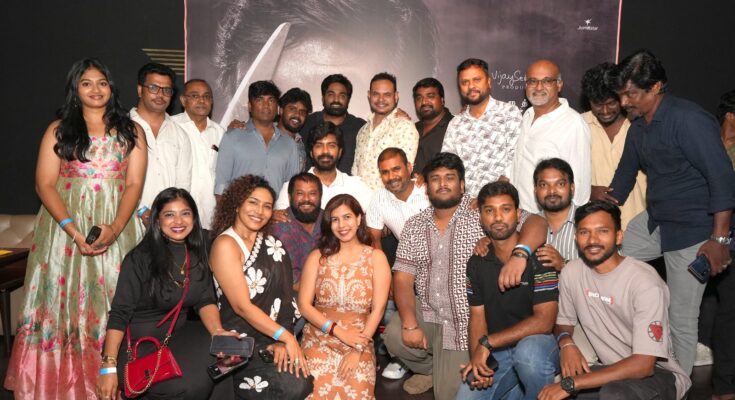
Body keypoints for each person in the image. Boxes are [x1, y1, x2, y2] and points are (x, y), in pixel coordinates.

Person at [4, 58, 146, 398]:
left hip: (117, 227)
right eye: (87, 83)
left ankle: (116, 379)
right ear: (75, 89)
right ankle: (62, 386)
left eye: (102, 82)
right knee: (62, 305)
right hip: (63, 232)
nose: (96, 89)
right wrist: (74, 231)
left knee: (114, 302)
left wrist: (114, 229)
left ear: (112, 88)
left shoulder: (131, 132)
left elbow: (134, 185)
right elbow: (44, 184)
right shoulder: (59, 130)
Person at [594, 50, 735, 374]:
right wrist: (594, 210)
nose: (624, 102)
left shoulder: (689, 120)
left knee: (681, 319)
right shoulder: (638, 127)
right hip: (656, 221)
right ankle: (628, 346)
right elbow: (624, 177)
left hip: (694, 230)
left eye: (631, 94)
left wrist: (719, 240)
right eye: (621, 94)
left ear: (656, 86)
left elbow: (723, 179)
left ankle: (678, 386)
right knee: (606, 256)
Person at [383, 153, 547, 400]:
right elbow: (403, 278)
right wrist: (410, 324)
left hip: (466, 321)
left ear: (462, 185)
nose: (443, 184)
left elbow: (537, 222)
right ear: (427, 188)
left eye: (450, 177)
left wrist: (520, 253)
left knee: (448, 395)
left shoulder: (482, 212)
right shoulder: (414, 225)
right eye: (435, 179)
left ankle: (443, 372)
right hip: (429, 311)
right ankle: (431, 369)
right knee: (394, 335)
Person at [538, 201, 691, 400]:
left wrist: (573, 383)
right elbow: (563, 322)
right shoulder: (572, 272)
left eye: (602, 231)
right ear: (576, 238)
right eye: (584, 232)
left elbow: (644, 364)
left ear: (619, 236)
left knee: (613, 394)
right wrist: (566, 342)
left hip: (658, 373)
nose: (592, 240)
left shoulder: (644, 282)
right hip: (608, 369)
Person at [97, 188, 235, 399]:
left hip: (178, 336)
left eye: (185, 213)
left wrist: (217, 332)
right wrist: (108, 366)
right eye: (169, 214)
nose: (178, 221)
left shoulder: (196, 253)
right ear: (156, 220)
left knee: (225, 362)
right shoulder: (139, 259)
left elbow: (205, 299)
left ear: (194, 218)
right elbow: (119, 314)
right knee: (191, 385)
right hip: (140, 346)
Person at [209, 175, 313, 399]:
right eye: (253, 202)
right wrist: (287, 338)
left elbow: (286, 298)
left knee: (301, 382)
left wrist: (282, 340)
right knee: (286, 387)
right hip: (239, 341)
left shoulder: (274, 245)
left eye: (267, 206)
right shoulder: (225, 244)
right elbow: (242, 307)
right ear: (237, 204)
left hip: (272, 336)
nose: (260, 211)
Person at [457, 181, 559, 400]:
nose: (498, 217)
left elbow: (544, 322)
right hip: (498, 349)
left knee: (528, 355)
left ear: (518, 214)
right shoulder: (477, 262)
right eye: (489, 211)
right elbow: (477, 317)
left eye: (505, 209)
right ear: (481, 217)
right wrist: (479, 359)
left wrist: (488, 343)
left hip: (538, 345)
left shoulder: (540, 257)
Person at [298, 194, 391, 400]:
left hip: (359, 340)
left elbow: (378, 309)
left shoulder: (376, 257)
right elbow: (304, 305)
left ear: (358, 219)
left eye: (347, 217)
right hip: (319, 338)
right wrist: (338, 331)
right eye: (335, 219)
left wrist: (357, 349)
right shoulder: (317, 257)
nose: (342, 225)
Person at [366, 147, 431, 379]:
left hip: (440, 264)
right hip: (408, 267)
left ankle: (435, 358)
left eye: (396, 169)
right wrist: (385, 279)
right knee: (390, 305)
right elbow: (374, 239)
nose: (391, 176)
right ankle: (403, 358)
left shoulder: (427, 190)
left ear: (409, 168)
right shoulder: (379, 198)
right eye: (385, 172)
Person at [511, 59, 591, 212]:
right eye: (532, 81)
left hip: (551, 219)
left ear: (559, 85)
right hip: (521, 215)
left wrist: (570, 222)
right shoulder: (526, 116)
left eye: (547, 81)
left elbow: (580, 185)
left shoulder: (573, 123)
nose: (538, 87)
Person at [441, 58, 522, 195]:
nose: (471, 86)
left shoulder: (509, 113)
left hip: (503, 199)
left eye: (477, 80)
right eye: (465, 82)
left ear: (489, 82)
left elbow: (517, 155)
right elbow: (448, 165)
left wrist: (495, 193)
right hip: (468, 203)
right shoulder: (455, 124)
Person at [581, 62, 646, 231]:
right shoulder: (579, 125)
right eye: (597, 104)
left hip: (641, 226)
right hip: (595, 228)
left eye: (611, 103)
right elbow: (563, 174)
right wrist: (587, 192)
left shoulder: (641, 125)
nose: (605, 111)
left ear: (622, 98)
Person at [214, 81, 300, 200]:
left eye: (271, 100)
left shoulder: (289, 144)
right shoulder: (232, 137)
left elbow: (293, 188)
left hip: (275, 211)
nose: (266, 105)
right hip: (239, 210)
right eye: (260, 100)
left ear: (277, 107)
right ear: (250, 106)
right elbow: (221, 187)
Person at [131, 62, 192, 225]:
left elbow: (182, 186)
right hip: (126, 221)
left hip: (167, 223)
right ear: (140, 90)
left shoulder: (180, 135)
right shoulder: (121, 129)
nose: (160, 95)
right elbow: (115, 179)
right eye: (153, 88)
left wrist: (169, 215)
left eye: (166, 90)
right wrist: (141, 210)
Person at [275, 121, 373, 210]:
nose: (325, 151)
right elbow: (280, 220)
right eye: (319, 146)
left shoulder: (356, 186)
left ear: (340, 152)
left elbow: (376, 214)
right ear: (311, 152)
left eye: (331, 146)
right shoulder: (292, 187)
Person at [172, 79, 225, 230]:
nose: (202, 100)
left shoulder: (220, 132)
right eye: (195, 96)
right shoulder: (171, 126)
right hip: (178, 216)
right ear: (183, 100)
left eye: (206, 96)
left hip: (211, 216)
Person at [352, 72, 419, 190]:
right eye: (376, 94)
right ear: (369, 95)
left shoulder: (404, 127)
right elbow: (355, 172)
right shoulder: (362, 131)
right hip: (359, 198)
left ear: (396, 96)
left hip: (388, 199)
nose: (381, 99)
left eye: (387, 94)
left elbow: (402, 175)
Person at [710, 90, 735, 400]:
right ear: (730, 115)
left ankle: (724, 385)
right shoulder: (708, 142)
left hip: (729, 240)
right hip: (695, 237)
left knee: (729, 310)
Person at [300, 74, 366, 173]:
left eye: (342, 95)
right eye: (331, 94)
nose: (336, 100)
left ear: (348, 100)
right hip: (311, 182)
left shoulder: (360, 127)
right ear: (323, 98)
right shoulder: (307, 123)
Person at [271, 172, 323, 293]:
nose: (306, 199)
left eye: (312, 193)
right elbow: (285, 278)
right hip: (289, 298)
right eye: (300, 193)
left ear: (320, 196)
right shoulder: (278, 228)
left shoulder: (330, 222)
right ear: (290, 197)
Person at [412, 78, 453, 176]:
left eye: (430, 96)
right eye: (419, 98)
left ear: (442, 100)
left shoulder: (455, 127)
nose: (424, 102)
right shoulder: (411, 129)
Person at [277, 88, 312, 172]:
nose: (297, 115)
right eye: (292, 109)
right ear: (281, 110)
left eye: (302, 112)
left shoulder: (300, 144)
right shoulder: (265, 137)